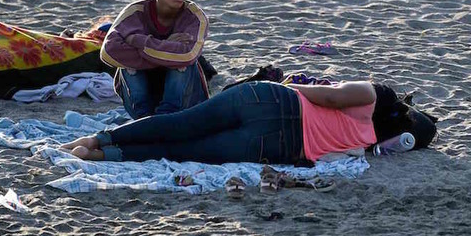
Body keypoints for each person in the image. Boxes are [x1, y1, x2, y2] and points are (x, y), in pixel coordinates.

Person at [60, 80, 438, 164]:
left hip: (271, 101)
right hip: (276, 145)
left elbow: (327, 97)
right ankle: (104, 156)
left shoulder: (371, 94)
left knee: (180, 123)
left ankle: (98, 139)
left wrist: (284, 86)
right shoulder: (365, 149)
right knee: (184, 150)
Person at [100, 0, 210, 118]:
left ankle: (166, 116)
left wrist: (140, 42)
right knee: (128, 66)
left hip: (184, 103)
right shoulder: (135, 12)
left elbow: (187, 54)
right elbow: (108, 53)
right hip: (141, 103)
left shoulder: (194, 17)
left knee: (182, 63)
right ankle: (143, 118)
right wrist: (166, 46)